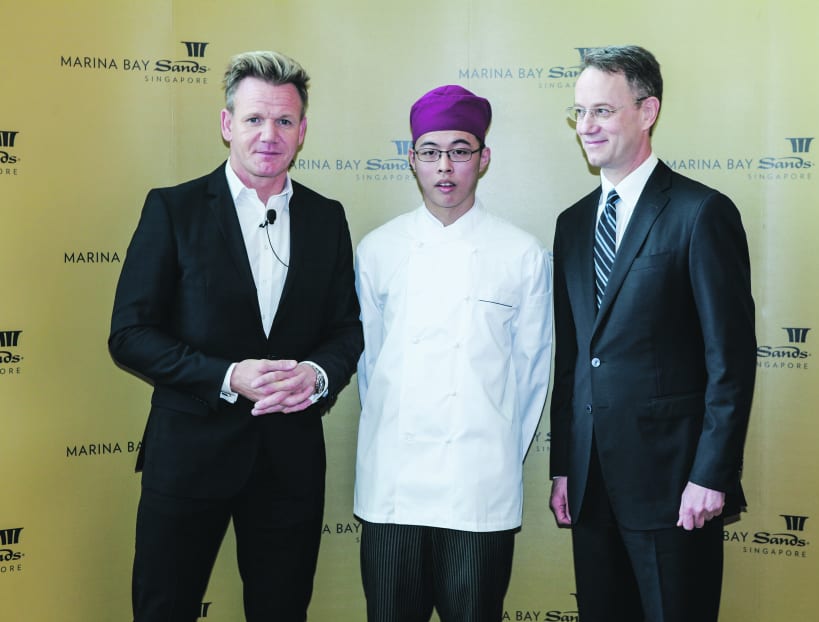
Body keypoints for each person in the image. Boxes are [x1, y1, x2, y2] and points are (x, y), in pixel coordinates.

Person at [109, 50, 363, 622]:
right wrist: (227, 376)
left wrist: (317, 375)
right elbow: (129, 333)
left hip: (289, 464)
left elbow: (346, 327)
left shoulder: (328, 217)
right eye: (253, 119)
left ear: (302, 132)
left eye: (283, 121)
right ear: (227, 124)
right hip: (188, 458)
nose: (268, 134)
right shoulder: (173, 210)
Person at [548, 45, 756, 622]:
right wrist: (564, 465)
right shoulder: (571, 225)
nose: (586, 127)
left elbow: (730, 361)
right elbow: (573, 359)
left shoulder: (700, 213)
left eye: (602, 112)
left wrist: (710, 475)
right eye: (579, 113)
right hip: (591, 489)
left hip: (674, 487)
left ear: (648, 111)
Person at [354, 85, 553, 622]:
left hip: (478, 486)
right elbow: (371, 368)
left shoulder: (521, 253)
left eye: (461, 150)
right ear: (412, 158)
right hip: (392, 484)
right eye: (430, 151)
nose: (445, 166)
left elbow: (532, 376)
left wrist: (492, 456)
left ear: (483, 159)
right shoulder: (377, 250)